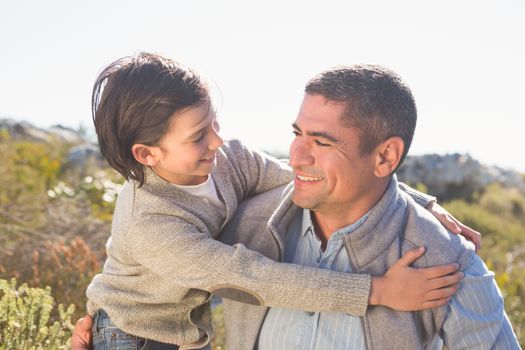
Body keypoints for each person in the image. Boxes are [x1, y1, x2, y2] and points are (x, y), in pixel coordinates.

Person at [75, 53, 477, 350]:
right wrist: (377, 291)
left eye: (214, 122)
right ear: (147, 154)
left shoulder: (227, 159)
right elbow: (253, 277)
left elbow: (314, 179)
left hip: (180, 332)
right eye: (198, 135)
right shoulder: (152, 224)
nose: (217, 140)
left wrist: (418, 201)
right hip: (129, 336)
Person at [217, 65, 521, 349]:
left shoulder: (449, 266)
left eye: (321, 143)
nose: (296, 158)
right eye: (298, 134)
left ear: (386, 157)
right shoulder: (243, 226)